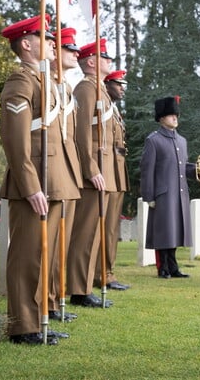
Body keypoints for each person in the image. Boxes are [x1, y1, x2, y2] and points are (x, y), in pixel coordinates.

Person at [0, 15, 81, 344]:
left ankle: (38, 319)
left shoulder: (46, 82)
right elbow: (15, 140)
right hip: (35, 182)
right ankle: (22, 326)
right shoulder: (21, 81)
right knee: (27, 256)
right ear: (26, 44)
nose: (53, 43)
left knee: (45, 257)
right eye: (45, 37)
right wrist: (30, 184)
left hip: (57, 179)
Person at [66, 38, 116, 308]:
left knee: (94, 232)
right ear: (93, 62)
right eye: (106, 58)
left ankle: (84, 285)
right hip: (93, 172)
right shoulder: (86, 89)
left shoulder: (99, 89)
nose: (110, 62)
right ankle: (78, 288)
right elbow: (82, 133)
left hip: (104, 170)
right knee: (85, 233)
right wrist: (91, 168)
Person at [47, 26, 84, 322]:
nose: (76, 54)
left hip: (68, 171)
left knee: (61, 243)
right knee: (47, 246)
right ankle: (45, 305)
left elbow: (72, 137)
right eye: (70, 49)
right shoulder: (40, 82)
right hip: (50, 171)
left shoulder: (67, 87)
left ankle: (53, 300)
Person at [140, 96, 195, 279]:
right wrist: (149, 197)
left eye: (176, 115)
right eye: (171, 115)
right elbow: (147, 170)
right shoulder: (153, 140)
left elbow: (182, 167)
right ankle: (162, 267)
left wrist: (198, 171)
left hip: (179, 193)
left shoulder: (182, 141)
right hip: (163, 194)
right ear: (161, 118)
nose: (175, 118)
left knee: (175, 231)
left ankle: (173, 267)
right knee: (164, 232)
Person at [93, 69, 131, 291]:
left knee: (112, 228)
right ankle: (101, 274)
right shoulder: (102, 104)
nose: (122, 88)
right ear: (107, 85)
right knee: (103, 226)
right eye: (118, 84)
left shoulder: (114, 110)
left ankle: (108, 271)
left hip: (116, 172)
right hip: (106, 171)